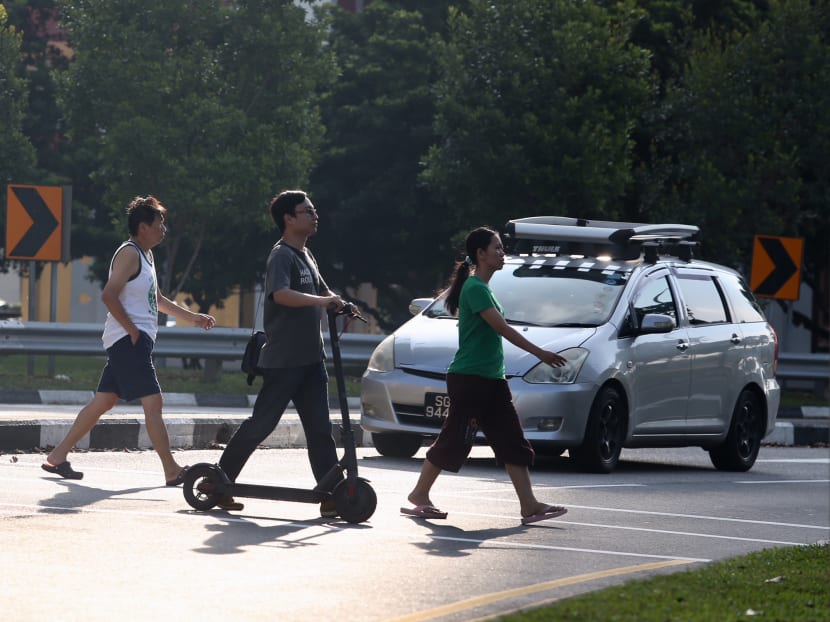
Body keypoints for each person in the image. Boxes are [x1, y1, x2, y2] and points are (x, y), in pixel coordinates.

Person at [41, 196, 216, 486]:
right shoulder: (129, 253)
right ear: (143, 227)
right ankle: (171, 470)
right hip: (128, 340)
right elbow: (108, 294)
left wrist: (192, 317)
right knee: (154, 403)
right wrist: (133, 331)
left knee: (104, 401)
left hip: (133, 340)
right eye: (159, 224)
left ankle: (56, 457)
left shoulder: (146, 256)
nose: (164, 229)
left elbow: (157, 299)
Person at [401, 227, 569, 525]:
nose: (502, 253)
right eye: (497, 248)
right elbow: (501, 327)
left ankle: (529, 505)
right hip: (471, 378)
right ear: (480, 254)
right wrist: (539, 353)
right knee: (455, 438)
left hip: (491, 379)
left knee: (512, 440)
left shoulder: (483, 288)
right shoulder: (475, 288)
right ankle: (419, 494)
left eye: (502, 248)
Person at [215, 190, 345, 514]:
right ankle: (217, 482)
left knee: (320, 430)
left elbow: (322, 290)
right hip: (284, 361)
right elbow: (281, 294)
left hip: (312, 360)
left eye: (313, 211)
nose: (315, 216)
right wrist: (322, 301)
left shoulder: (306, 254)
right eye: (307, 212)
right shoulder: (281, 256)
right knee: (261, 425)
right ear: (288, 218)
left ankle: (331, 495)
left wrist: (338, 301)